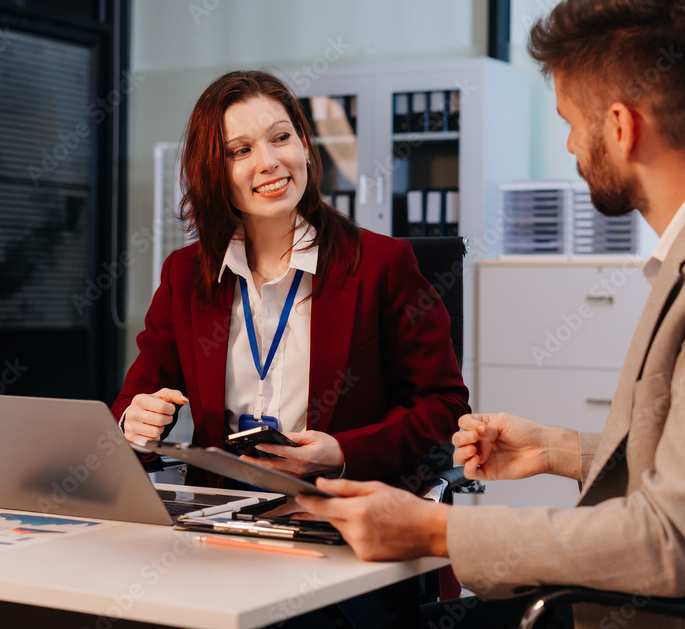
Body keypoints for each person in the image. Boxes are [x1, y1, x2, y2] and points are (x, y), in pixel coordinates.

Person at [298, 0, 685, 627]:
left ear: (620, 126)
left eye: (570, 122)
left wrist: (435, 530)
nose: (568, 146)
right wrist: (556, 449)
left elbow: (669, 541)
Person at [111, 70, 469, 488]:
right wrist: (133, 422)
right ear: (215, 171)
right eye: (240, 150)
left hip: (338, 509)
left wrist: (341, 453)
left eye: (281, 138)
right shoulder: (185, 274)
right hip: (222, 512)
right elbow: (136, 398)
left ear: (303, 143)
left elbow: (443, 405)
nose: (269, 162)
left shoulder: (380, 264)